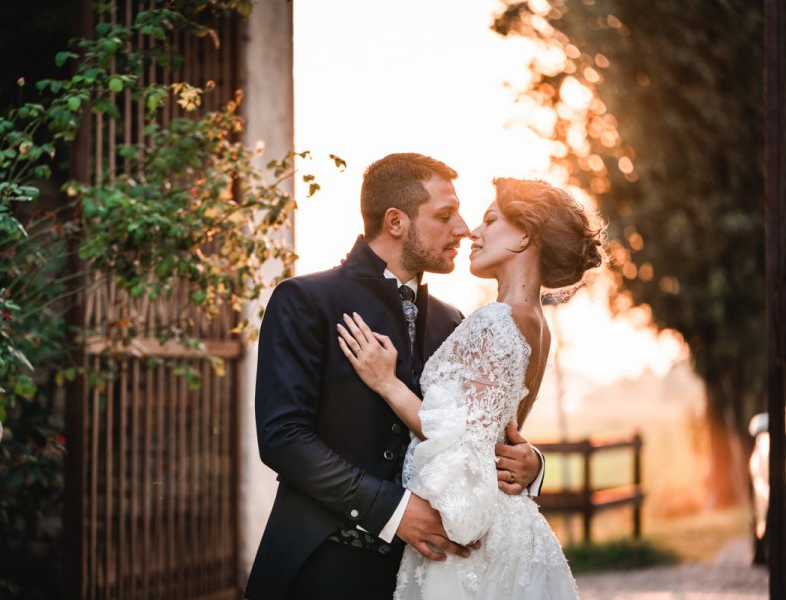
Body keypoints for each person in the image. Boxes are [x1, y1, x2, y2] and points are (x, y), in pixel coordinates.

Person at [244, 155, 545, 600]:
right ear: (396, 222)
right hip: (318, 567)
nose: (462, 229)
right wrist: (394, 511)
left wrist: (532, 464)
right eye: (445, 216)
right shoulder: (304, 300)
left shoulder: (453, 321)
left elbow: (473, 434)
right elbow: (283, 438)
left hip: (418, 576)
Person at [336, 177, 604, 599]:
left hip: (475, 535)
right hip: (513, 525)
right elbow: (501, 430)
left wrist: (386, 383)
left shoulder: (496, 320)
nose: (472, 233)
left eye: (490, 220)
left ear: (526, 235)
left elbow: (460, 438)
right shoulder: (537, 324)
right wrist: (532, 462)